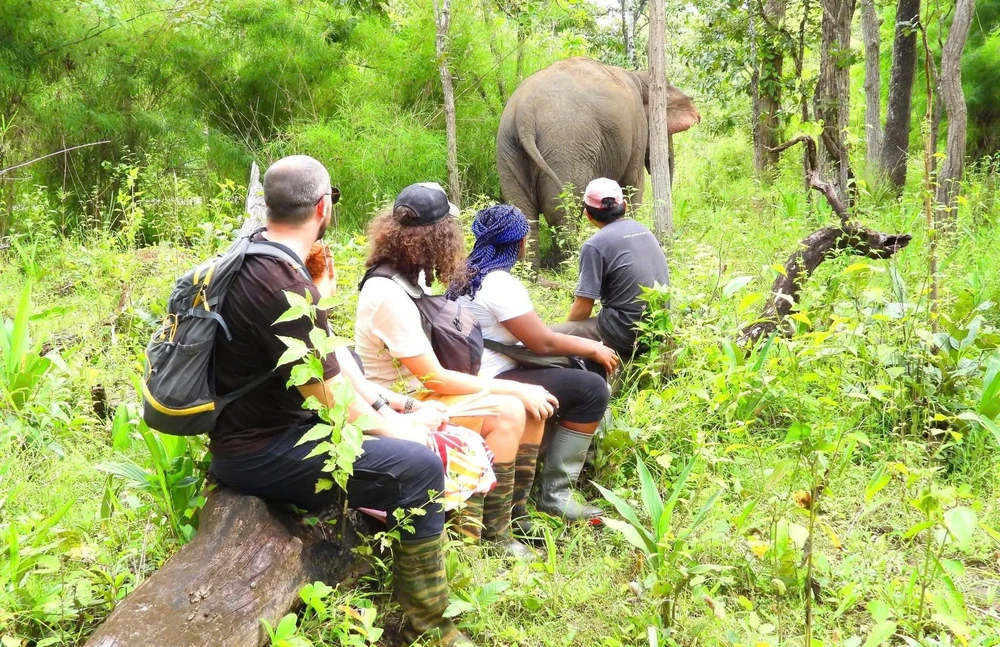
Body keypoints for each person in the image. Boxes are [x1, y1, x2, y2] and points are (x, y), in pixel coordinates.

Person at [208, 156, 474, 647]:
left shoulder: (258, 258)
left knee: (404, 434)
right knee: (419, 466)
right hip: (260, 450)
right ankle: (428, 627)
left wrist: (397, 407)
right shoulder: (279, 284)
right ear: (323, 207)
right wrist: (408, 431)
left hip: (256, 433)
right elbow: (334, 400)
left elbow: (328, 361)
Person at [354, 182, 558, 559]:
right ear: (440, 236)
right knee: (511, 409)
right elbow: (434, 378)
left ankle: (515, 513)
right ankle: (485, 535)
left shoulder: (409, 276)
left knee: (532, 408)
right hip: (404, 401)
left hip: (425, 391)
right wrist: (515, 389)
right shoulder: (387, 294)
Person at [447, 204, 616, 525]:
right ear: (521, 242)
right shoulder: (498, 283)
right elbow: (542, 342)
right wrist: (593, 347)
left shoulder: (465, 273)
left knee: (576, 373)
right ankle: (556, 494)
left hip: (474, 373)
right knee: (592, 388)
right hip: (495, 377)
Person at [552, 178, 670, 361]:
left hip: (623, 334)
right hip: (659, 327)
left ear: (587, 214)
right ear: (625, 206)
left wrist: (565, 336)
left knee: (547, 337)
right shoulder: (645, 230)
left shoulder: (594, 245)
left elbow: (583, 308)